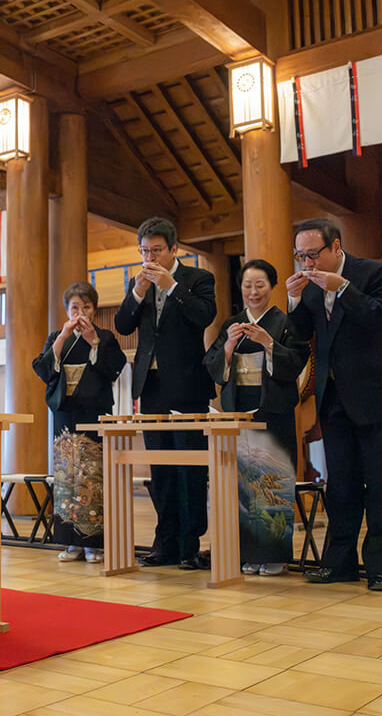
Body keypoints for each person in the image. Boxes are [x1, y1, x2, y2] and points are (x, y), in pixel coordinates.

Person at [285, 218, 382, 592]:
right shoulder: (308, 285)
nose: (307, 263)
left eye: (312, 254)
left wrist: (344, 290)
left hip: (378, 399)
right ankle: (338, 564)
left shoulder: (373, 273)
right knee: (340, 487)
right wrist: (293, 301)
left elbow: (381, 318)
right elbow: (301, 334)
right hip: (334, 400)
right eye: (300, 256)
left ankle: (379, 568)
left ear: (335, 247)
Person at [114, 217, 217, 570]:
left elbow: (203, 316)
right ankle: (165, 541)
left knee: (189, 469)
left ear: (174, 249)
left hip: (188, 388)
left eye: (156, 250)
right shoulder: (137, 281)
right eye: (144, 250)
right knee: (161, 469)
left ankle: (190, 544)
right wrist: (138, 292)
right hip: (152, 387)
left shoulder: (198, 279)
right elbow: (123, 325)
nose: (150, 257)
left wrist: (172, 286)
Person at [203, 260, 308, 576]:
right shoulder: (231, 323)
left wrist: (267, 343)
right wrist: (230, 345)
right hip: (240, 414)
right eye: (247, 286)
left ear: (272, 287)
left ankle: (274, 554)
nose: (253, 292)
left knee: (272, 481)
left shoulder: (285, 323)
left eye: (259, 285)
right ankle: (248, 552)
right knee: (244, 485)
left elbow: (297, 361)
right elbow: (211, 364)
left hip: (272, 411)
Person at [32, 281, 126, 563]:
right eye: (75, 307)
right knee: (66, 478)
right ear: (67, 310)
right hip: (65, 413)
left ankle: (93, 544)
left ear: (94, 309)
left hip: (93, 412)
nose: (81, 312)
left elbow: (114, 369)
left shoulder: (104, 337)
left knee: (92, 477)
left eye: (86, 306)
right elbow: (43, 369)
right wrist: (62, 337)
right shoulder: (55, 337)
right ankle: (70, 543)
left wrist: (94, 343)